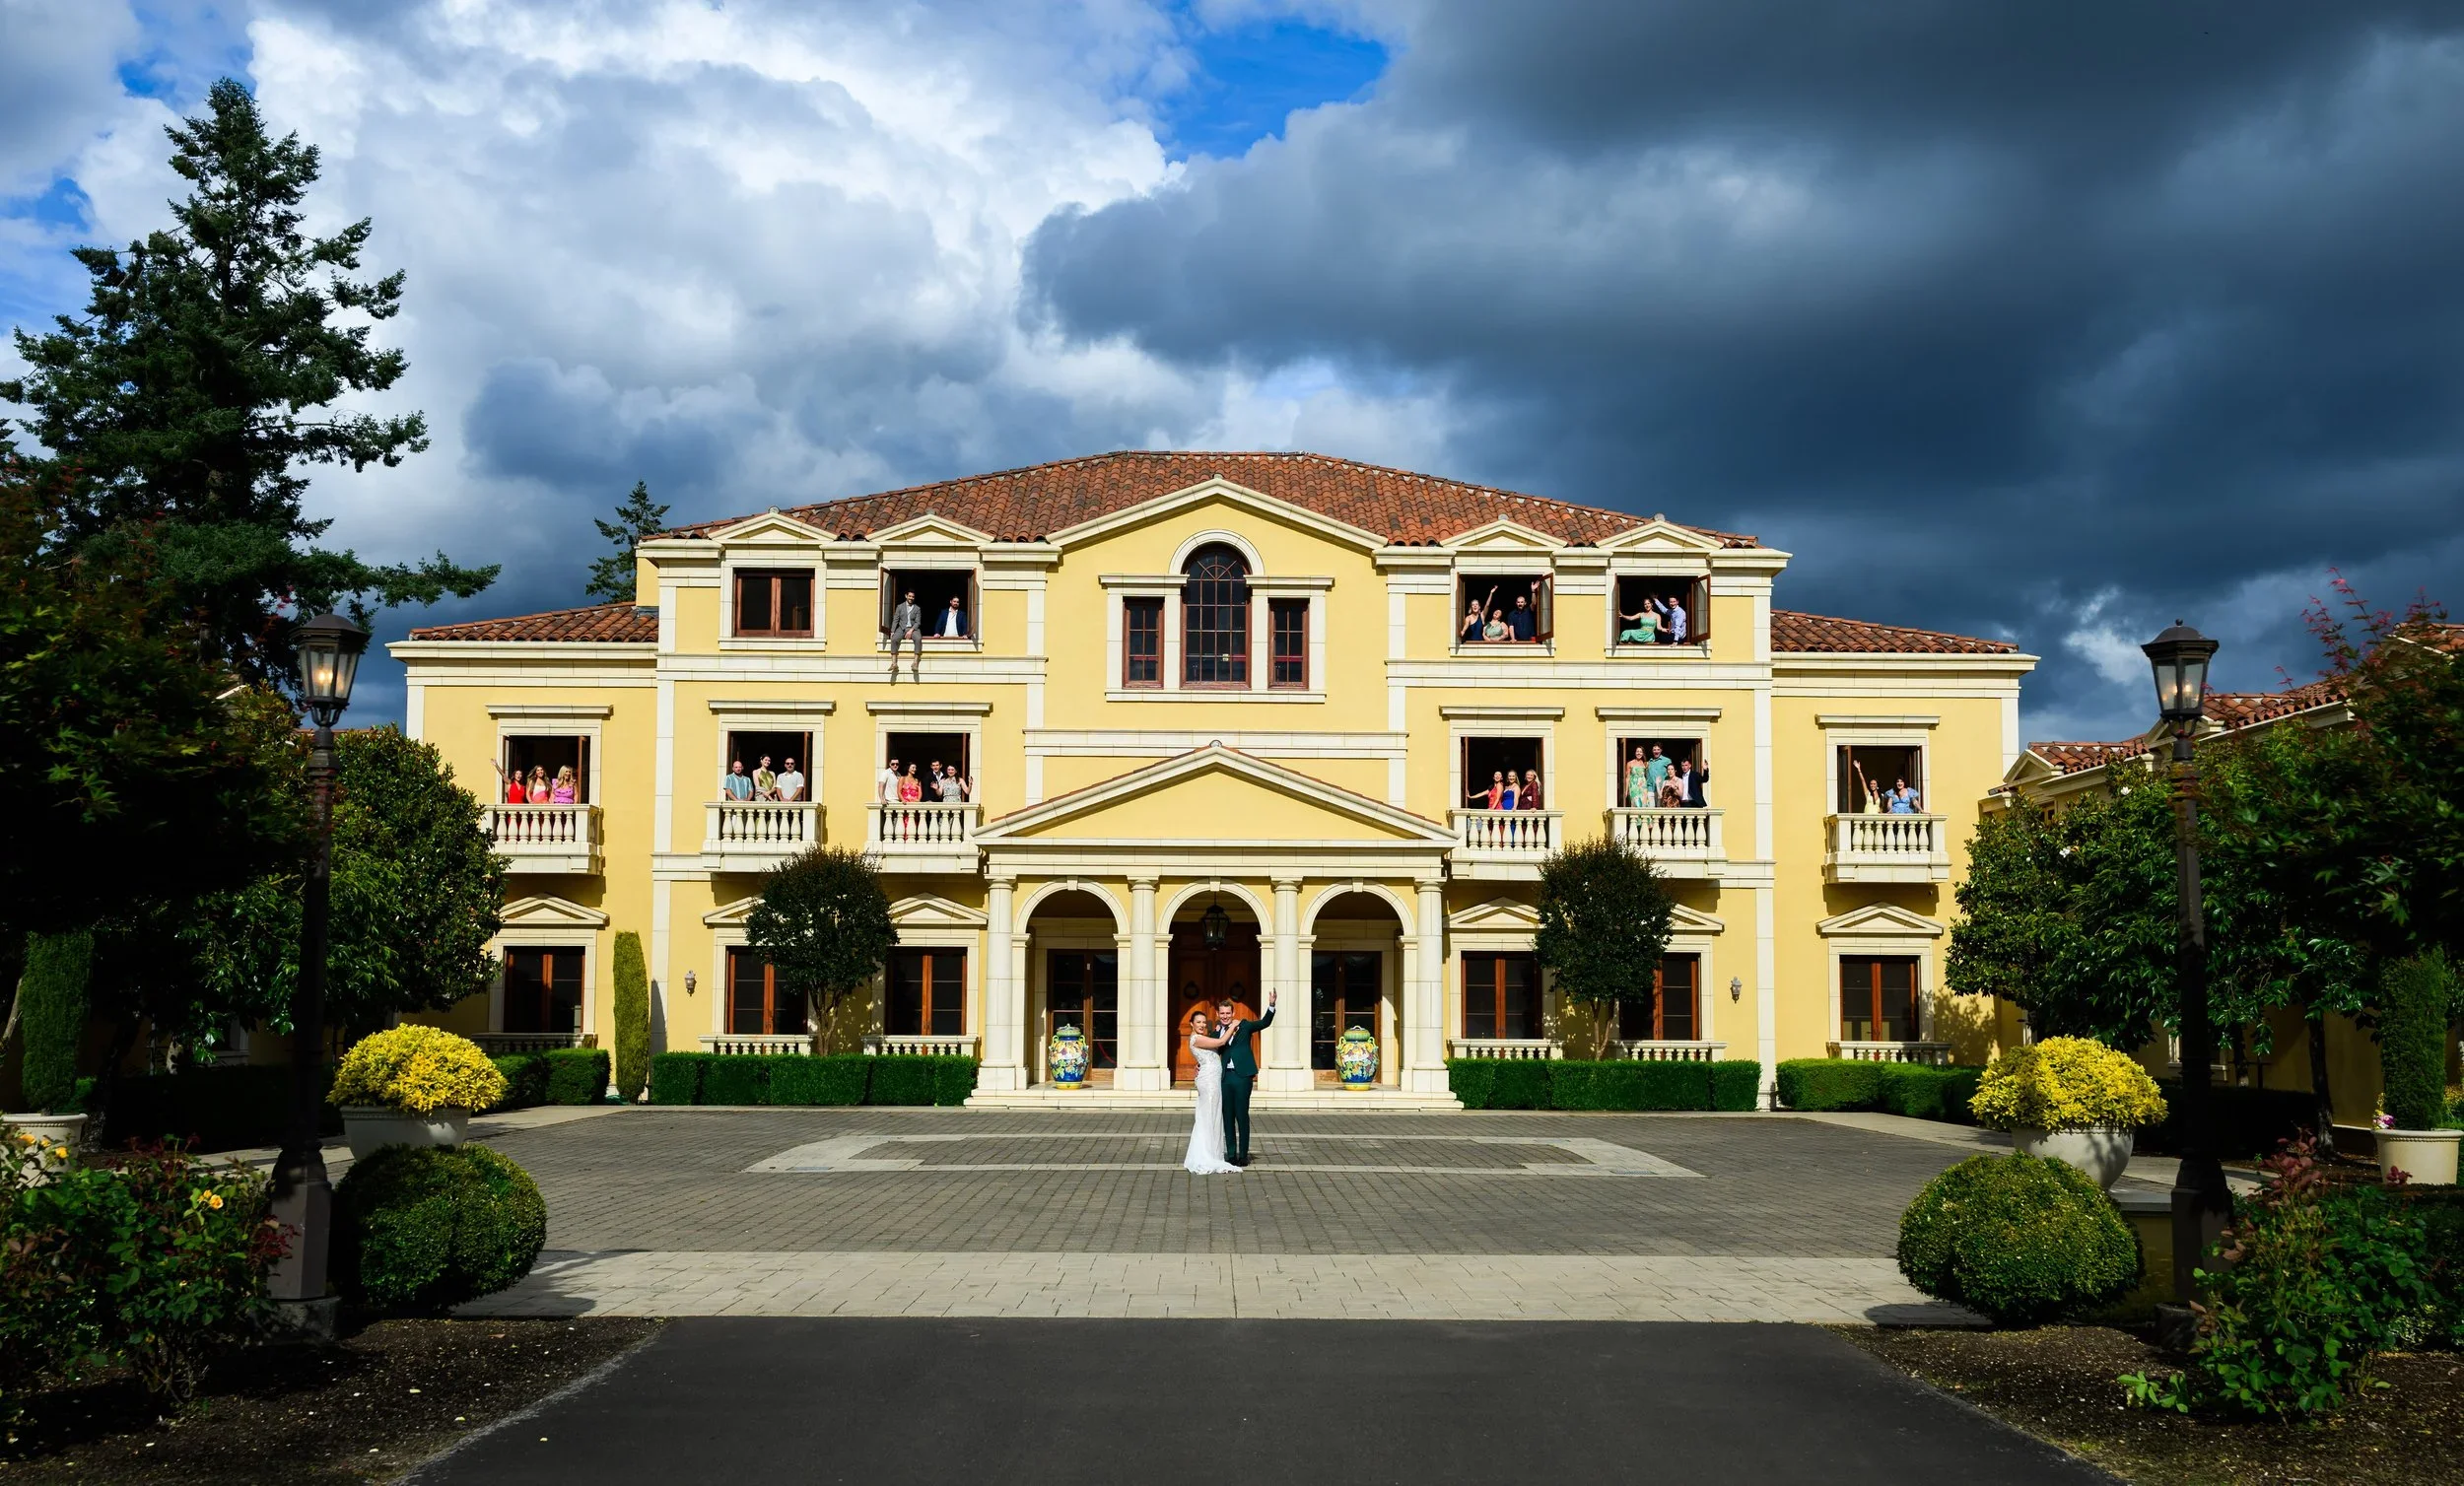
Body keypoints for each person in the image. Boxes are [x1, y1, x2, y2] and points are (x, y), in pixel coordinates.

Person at [1211, 989, 1276, 1167]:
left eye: (1228, 1013)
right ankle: (1231, 1155)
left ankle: (1243, 1155)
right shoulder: (1216, 1032)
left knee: (1241, 1115)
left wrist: (1271, 1005)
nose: (1225, 1016)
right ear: (1218, 1014)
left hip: (1242, 1077)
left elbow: (1264, 1022)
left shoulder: (1245, 1026)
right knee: (1228, 1116)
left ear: (1233, 1014)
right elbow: (1206, 1049)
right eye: (1222, 1013)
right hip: (1225, 1078)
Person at [1181, 1009, 1242, 1175]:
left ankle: (1213, 1153)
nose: (1201, 1025)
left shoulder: (1203, 1038)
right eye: (1198, 1022)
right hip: (1208, 1082)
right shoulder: (1196, 1038)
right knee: (1208, 1116)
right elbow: (1221, 1042)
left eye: (1203, 1022)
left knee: (1212, 1116)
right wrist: (1233, 1025)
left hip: (1212, 1080)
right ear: (1192, 1024)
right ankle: (1206, 1155)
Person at [887, 588, 924, 681]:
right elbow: (896, 619)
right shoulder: (900, 607)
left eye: (913, 597)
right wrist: (892, 631)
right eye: (910, 596)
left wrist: (911, 631)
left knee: (918, 639)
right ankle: (894, 663)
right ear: (906, 596)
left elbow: (918, 622)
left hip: (913, 628)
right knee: (894, 639)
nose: (911, 598)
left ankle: (915, 663)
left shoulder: (917, 608)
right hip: (901, 628)